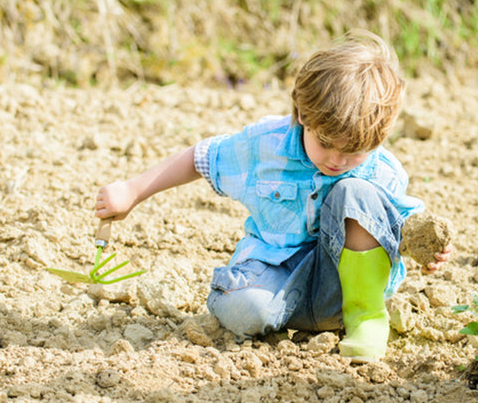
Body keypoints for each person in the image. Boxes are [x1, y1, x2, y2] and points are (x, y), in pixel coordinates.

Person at [95, 30, 451, 363]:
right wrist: (133, 190)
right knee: (244, 309)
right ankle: (284, 318)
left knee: (354, 192)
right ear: (302, 115)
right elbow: (201, 158)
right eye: (325, 143)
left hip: (343, 289)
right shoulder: (266, 145)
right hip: (279, 279)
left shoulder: (381, 169)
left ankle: (367, 319)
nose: (337, 160)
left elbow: (403, 226)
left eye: (354, 152)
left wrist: (426, 245)